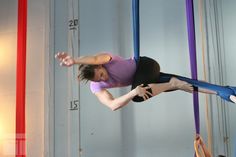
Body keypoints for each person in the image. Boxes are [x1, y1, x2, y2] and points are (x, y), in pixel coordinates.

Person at [55, 52, 236, 111]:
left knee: (140, 96)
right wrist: (133, 92)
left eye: (102, 74)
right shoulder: (97, 86)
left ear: (100, 66)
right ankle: (225, 92)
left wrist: (76, 61)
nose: (105, 78)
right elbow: (112, 105)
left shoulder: (105, 59)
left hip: (146, 66)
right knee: (189, 85)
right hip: (146, 82)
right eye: (100, 79)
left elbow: (94, 59)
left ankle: (172, 83)